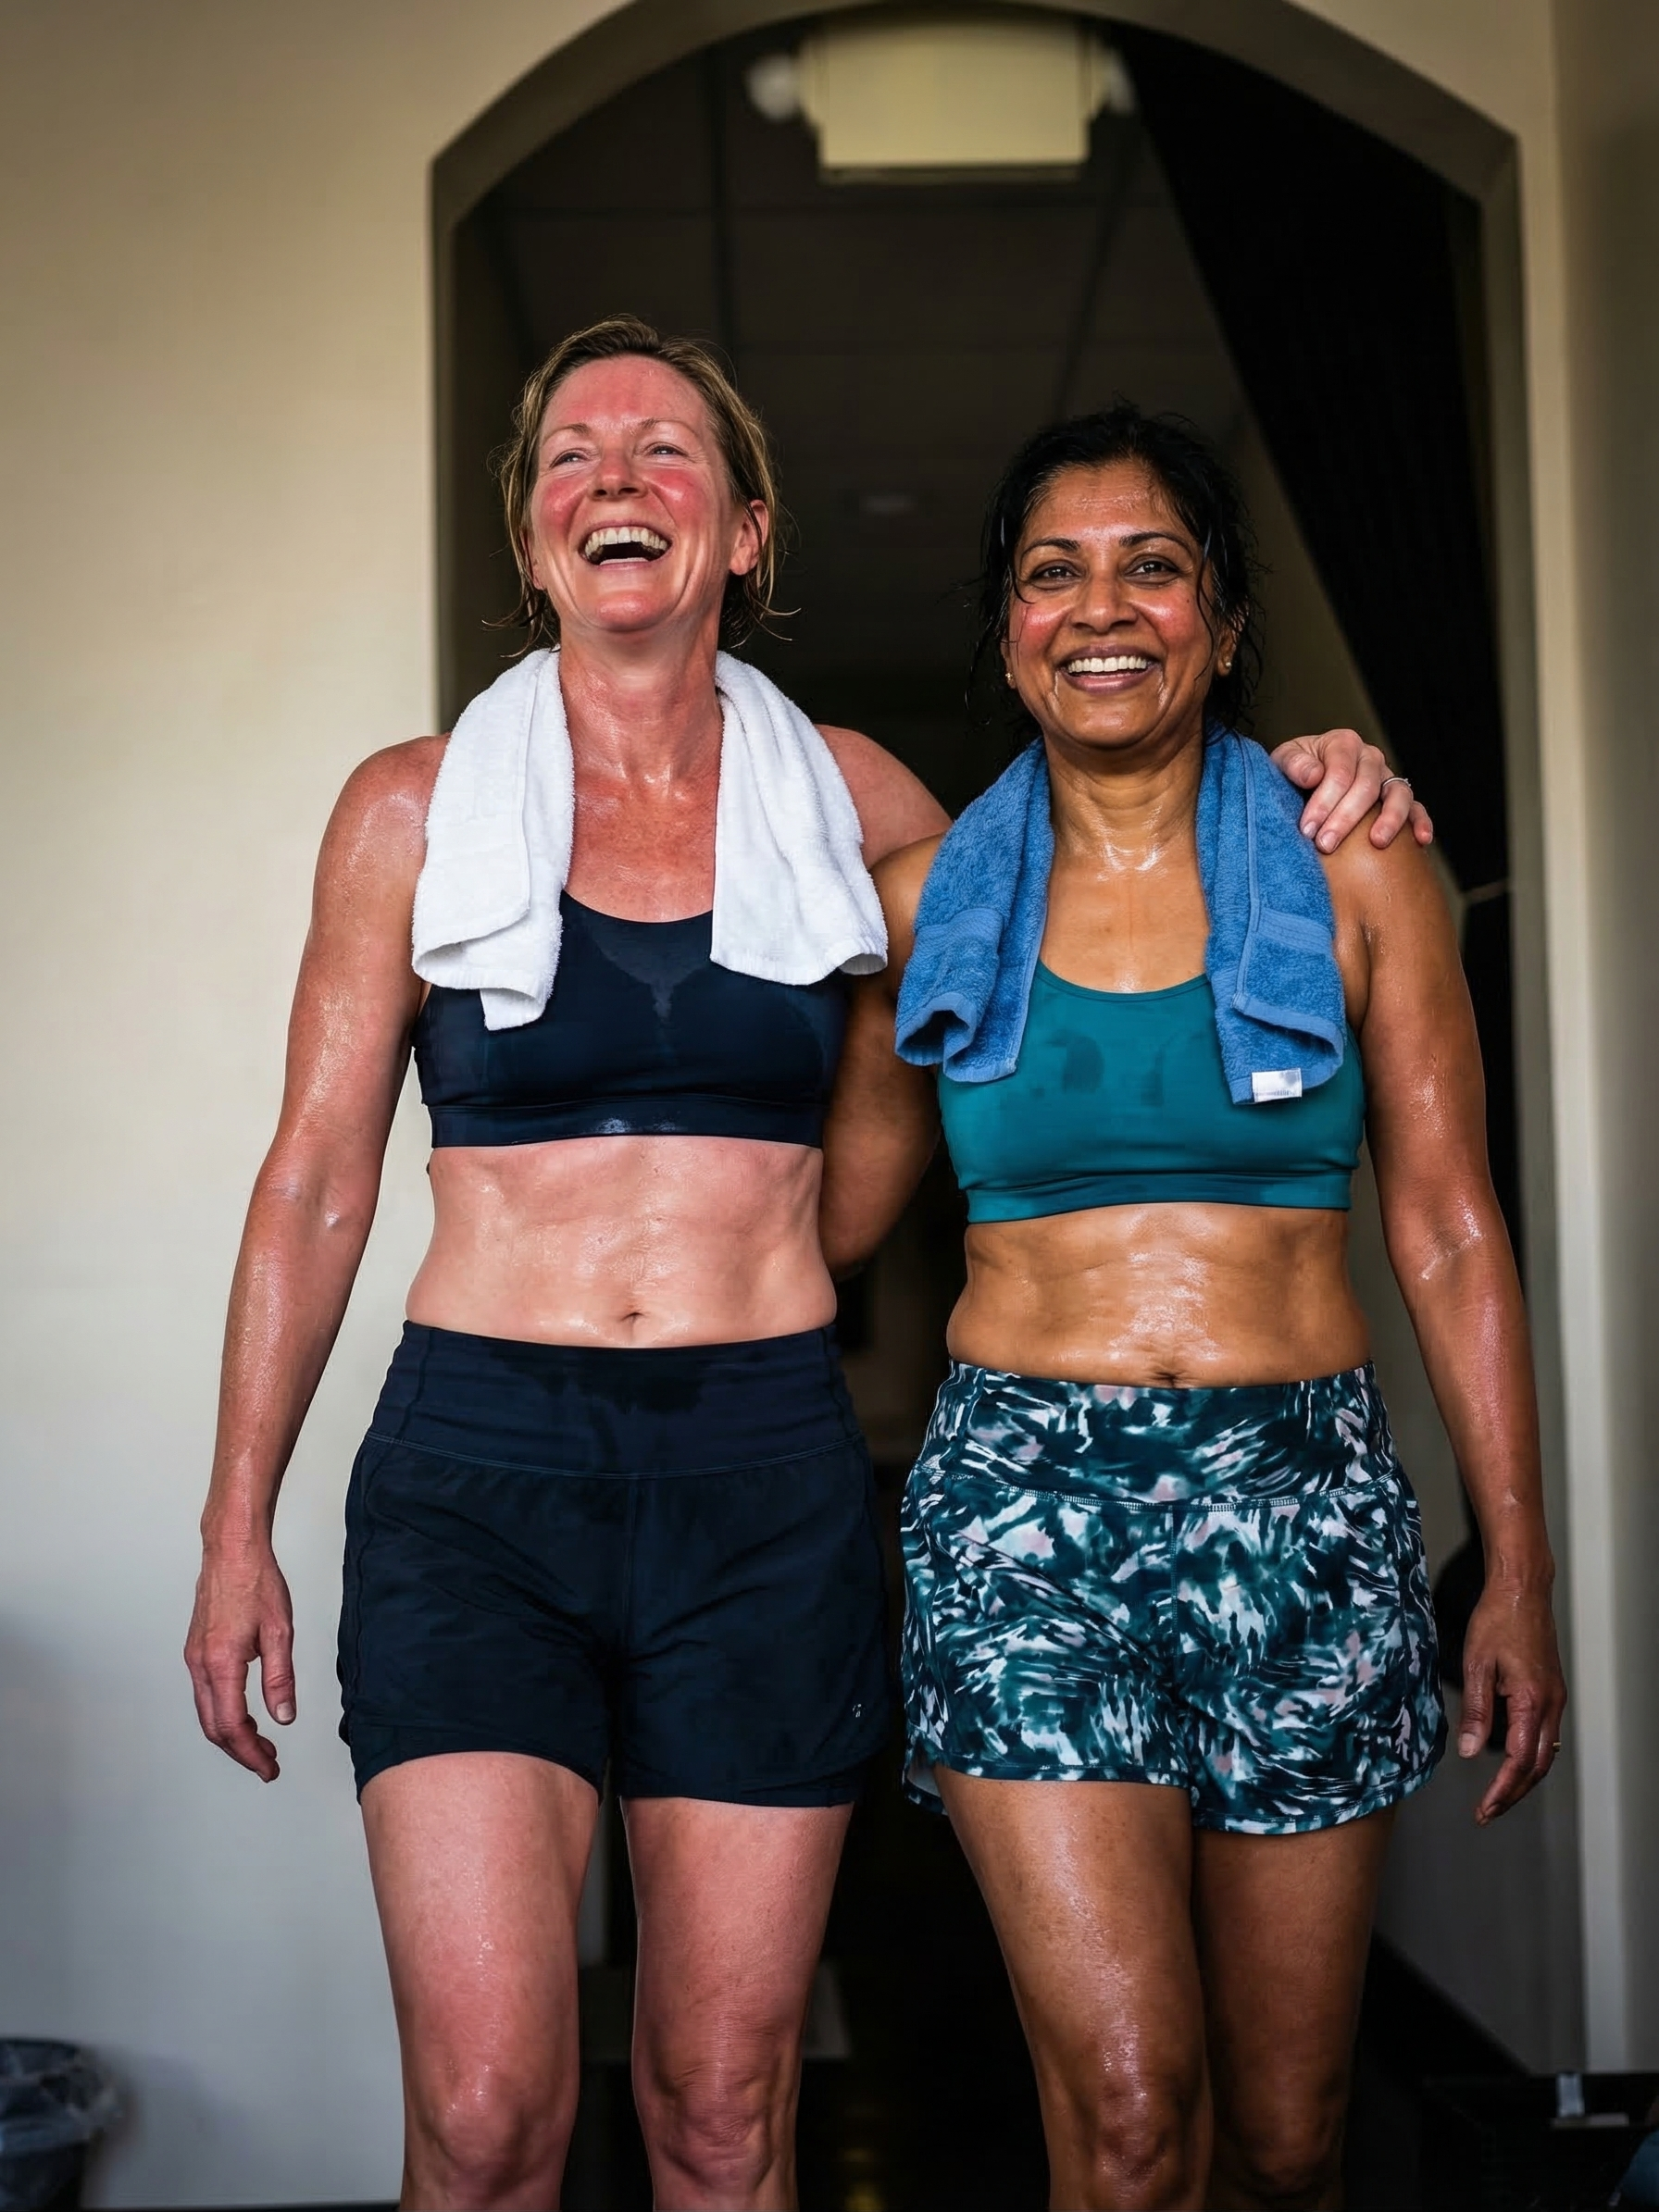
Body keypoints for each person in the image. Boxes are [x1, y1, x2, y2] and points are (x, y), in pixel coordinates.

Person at [184, 318, 1424, 2212]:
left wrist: (1308, 776)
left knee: (715, 2108)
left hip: (756, 1479)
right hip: (476, 1475)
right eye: (569, 456)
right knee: (493, 2115)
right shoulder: (411, 809)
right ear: (528, 542)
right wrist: (231, 1524)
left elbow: (1110, 836)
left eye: (666, 451)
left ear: (744, 532)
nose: (615, 477)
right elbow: (311, 1189)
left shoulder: (852, 802)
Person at [822, 405, 1564, 2212]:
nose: (1101, 604)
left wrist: (1515, 1566)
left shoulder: (1351, 862)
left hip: (1301, 1506)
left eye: (1151, 562)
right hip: (1022, 1516)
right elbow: (810, 1226)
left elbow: (1452, 1230)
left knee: (1291, 2140)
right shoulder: (927, 910)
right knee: (1137, 2114)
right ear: (1002, 632)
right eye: (1050, 570)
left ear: (1224, 624)